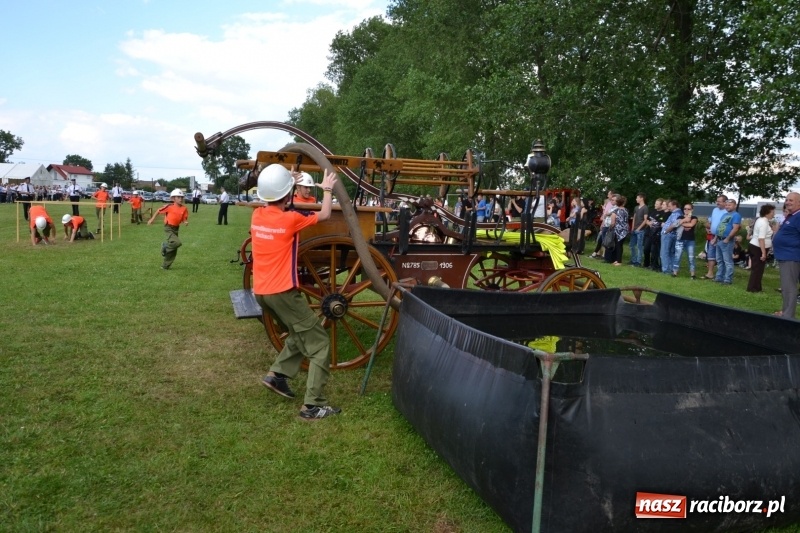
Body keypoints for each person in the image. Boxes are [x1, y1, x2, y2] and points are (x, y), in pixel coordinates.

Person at [254, 164, 341, 420]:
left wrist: (287, 181)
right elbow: (325, 215)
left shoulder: (257, 216)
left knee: (298, 331)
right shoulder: (290, 219)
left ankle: (277, 375)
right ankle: (313, 405)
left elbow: (271, 198)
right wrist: (326, 189)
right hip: (283, 292)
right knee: (319, 343)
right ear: (289, 193)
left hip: (262, 293)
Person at [772, 192, 800, 319]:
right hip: (786, 256)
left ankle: (788, 316)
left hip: (791, 257)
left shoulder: (798, 216)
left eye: (791, 200)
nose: (788, 202)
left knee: (788, 287)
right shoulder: (791, 216)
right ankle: (786, 312)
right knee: (786, 286)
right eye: (787, 200)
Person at [148, 189, 189, 270]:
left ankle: (165, 266)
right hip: (168, 227)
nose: (180, 199)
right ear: (173, 199)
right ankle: (165, 246)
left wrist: (185, 222)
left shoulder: (184, 208)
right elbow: (158, 211)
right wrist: (152, 219)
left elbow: (183, 218)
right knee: (177, 243)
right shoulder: (169, 207)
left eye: (181, 197)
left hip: (176, 228)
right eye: (178, 197)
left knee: (174, 249)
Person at [746, 204, 775, 293]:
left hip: (756, 246)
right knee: (757, 269)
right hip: (758, 247)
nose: (774, 214)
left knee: (759, 269)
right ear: (767, 213)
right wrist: (763, 253)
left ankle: (757, 287)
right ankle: (752, 288)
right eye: (772, 212)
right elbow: (761, 238)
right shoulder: (763, 222)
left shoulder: (762, 220)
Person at [713, 198, 742, 285]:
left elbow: (735, 228)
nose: (727, 206)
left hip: (727, 240)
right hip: (719, 239)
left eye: (729, 205)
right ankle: (719, 277)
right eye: (726, 205)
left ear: (735, 205)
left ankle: (727, 279)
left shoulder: (736, 215)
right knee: (719, 260)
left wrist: (728, 238)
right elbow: (720, 226)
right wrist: (715, 238)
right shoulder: (724, 215)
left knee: (727, 261)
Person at [703, 195, 728, 279]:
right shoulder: (715, 210)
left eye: (719, 201)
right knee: (711, 254)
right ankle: (710, 273)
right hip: (712, 235)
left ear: (725, 202)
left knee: (721, 257)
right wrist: (708, 227)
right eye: (717, 201)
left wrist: (716, 237)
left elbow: (724, 226)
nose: (717, 203)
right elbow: (709, 221)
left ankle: (722, 275)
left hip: (722, 237)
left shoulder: (727, 212)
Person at [672, 203, 698, 278]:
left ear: (692, 210)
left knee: (691, 257)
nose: (686, 210)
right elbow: (675, 224)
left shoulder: (694, 217)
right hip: (680, 239)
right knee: (677, 256)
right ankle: (674, 273)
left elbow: (691, 225)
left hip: (690, 240)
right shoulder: (680, 216)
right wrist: (684, 220)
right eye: (685, 209)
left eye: (688, 209)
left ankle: (693, 274)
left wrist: (682, 223)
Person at [590, 190, 616, 258]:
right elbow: (605, 214)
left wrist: (604, 222)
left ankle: (604, 255)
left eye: (609, 194)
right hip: (605, 224)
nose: (607, 195)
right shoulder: (609, 203)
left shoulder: (613, 205)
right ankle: (596, 253)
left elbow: (608, 214)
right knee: (601, 239)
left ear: (612, 195)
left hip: (608, 225)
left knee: (605, 240)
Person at [604, 195, 628, 266]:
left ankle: (619, 261)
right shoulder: (625, 210)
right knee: (620, 245)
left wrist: (611, 228)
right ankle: (617, 260)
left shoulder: (616, 211)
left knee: (618, 246)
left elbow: (612, 222)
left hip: (618, 230)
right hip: (624, 230)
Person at [660, 200, 682, 274]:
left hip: (668, 235)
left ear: (674, 205)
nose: (668, 208)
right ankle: (672, 269)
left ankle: (666, 270)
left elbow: (674, 224)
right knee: (671, 253)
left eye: (669, 206)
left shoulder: (676, 213)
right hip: (673, 235)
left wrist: (665, 231)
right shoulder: (678, 213)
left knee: (665, 252)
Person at [629, 193, 648, 267]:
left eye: (637, 198)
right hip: (634, 229)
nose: (636, 199)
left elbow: (645, 219)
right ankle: (633, 260)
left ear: (641, 198)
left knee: (639, 246)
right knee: (631, 245)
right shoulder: (636, 208)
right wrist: (633, 227)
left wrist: (639, 228)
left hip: (641, 230)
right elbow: (634, 218)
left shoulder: (645, 208)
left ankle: (638, 261)